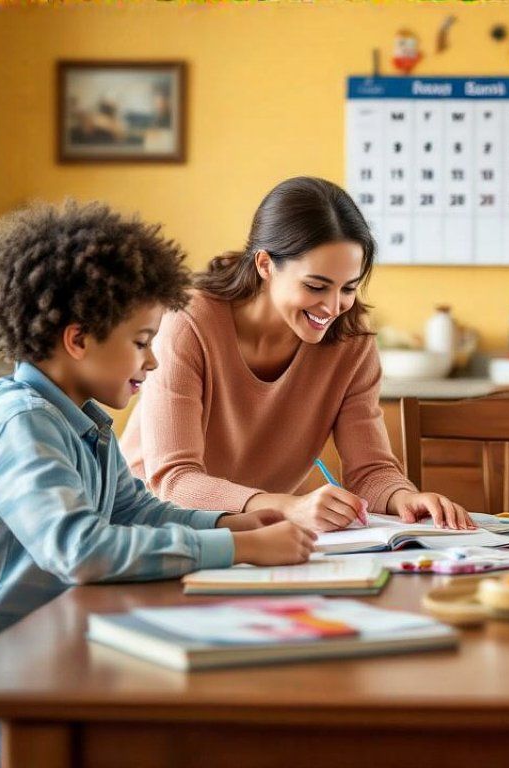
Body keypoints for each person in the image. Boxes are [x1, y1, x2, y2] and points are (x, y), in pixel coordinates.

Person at [0, 200, 315, 767]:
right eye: (142, 340)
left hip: (46, 666)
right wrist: (240, 547)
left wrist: (227, 521)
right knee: (166, 745)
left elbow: (135, 510)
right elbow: (82, 552)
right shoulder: (22, 424)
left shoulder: (81, 418)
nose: (151, 363)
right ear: (78, 339)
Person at [121, 177, 472, 531]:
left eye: (348, 287)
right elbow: (174, 481)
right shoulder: (189, 322)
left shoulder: (351, 339)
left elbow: (370, 470)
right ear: (265, 265)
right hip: (150, 526)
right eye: (315, 286)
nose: (334, 307)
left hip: (257, 530)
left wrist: (404, 497)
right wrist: (285, 507)